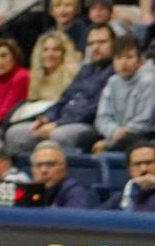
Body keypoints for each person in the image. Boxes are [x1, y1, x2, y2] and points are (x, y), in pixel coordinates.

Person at [8, 25, 114, 154]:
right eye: (91, 43)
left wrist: (57, 124)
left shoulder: (114, 72)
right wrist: (46, 118)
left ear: (114, 44)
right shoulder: (86, 69)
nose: (96, 47)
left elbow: (93, 109)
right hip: (61, 120)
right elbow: (64, 98)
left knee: (60, 135)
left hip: (87, 124)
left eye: (102, 42)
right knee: (16, 133)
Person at [93, 35, 155, 154]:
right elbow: (102, 118)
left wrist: (112, 140)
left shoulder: (149, 82)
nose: (123, 62)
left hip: (144, 136)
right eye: (119, 58)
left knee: (117, 145)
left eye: (129, 57)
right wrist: (113, 132)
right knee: (86, 140)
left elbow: (144, 122)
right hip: (117, 135)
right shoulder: (112, 81)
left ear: (140, 60)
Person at [120, 143, 155, 212]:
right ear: (129, 170)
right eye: (137, 164)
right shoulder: (121, 197)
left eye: (149, 163)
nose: (143, 169)